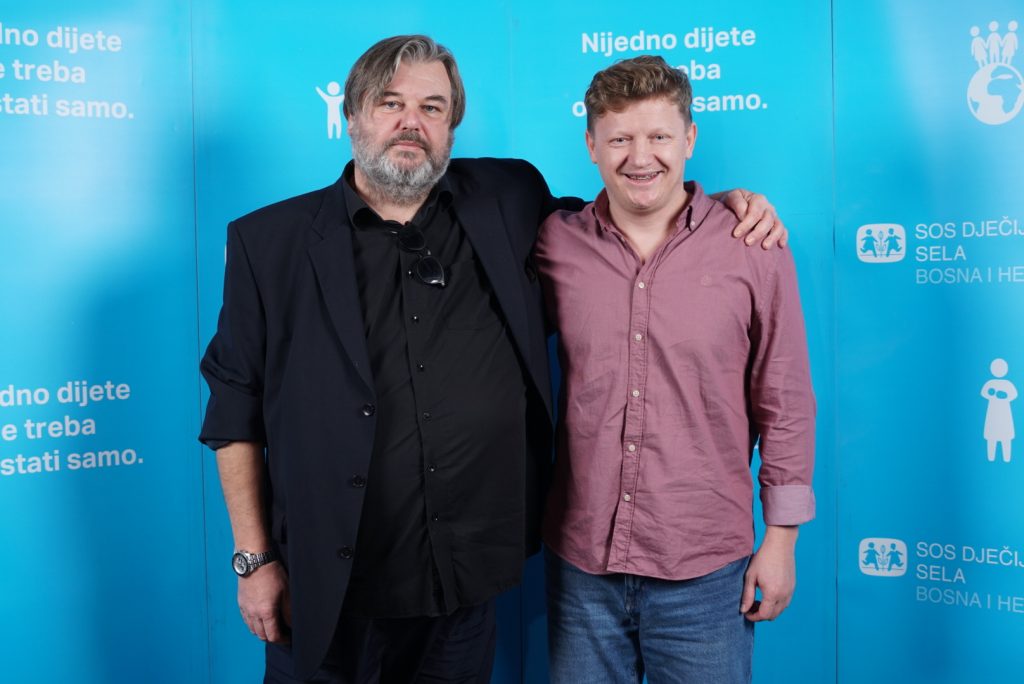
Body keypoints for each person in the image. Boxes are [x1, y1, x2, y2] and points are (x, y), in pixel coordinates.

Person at [199, 36, 786, 683]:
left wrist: (719, 206)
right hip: (328, 586)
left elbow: (624, 222)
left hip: (461, 588)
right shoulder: (269, 244)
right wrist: (254, 559)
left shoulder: (507, 197)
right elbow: (234, 411)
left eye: (432, 107)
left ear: (452, 126)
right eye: (390, 103)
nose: (410, 122)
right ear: (352, 114)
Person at [536, 55, 816, 683]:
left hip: (706, 572)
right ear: (591, 145)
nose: (641, 157)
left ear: (689, 139)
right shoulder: (554, 243)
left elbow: (785, 399)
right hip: (581, 568)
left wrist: (782, 539)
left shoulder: (753, 247)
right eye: (620, 139)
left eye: (659, 136)